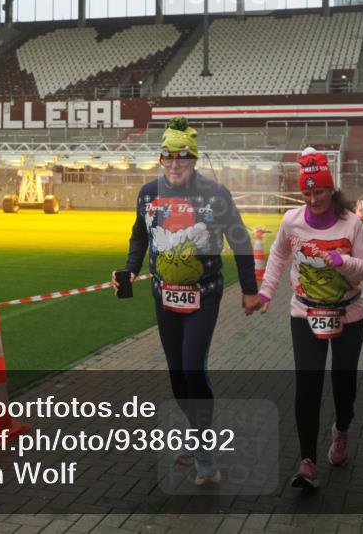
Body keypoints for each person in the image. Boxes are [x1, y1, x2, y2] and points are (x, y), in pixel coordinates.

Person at [113, 116, 259, 486]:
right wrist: (130, 269)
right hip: (164, 296)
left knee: (194, 367)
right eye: (168, 157)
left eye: (183, 157)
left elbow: (240, 241)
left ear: (194, 159)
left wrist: (248, 289)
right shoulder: (148, 193)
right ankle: (196, 432)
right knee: (178, 375)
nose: (175, 164)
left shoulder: (215, 194)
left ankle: (205, 453)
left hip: (204, 296)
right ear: (160, 159)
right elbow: (139, 238)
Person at [250, 148, 363, 489]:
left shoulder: (351, 224)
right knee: (308, 385)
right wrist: (265, 293)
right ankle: (307, 460)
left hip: (348, 313)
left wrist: (342, 263)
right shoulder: (292, 221)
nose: (313, 199)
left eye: (319, 191)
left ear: (331, 190)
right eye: (306, 193)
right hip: (305, 312)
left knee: (343, 384)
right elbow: (278, 256)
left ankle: (341, 430)